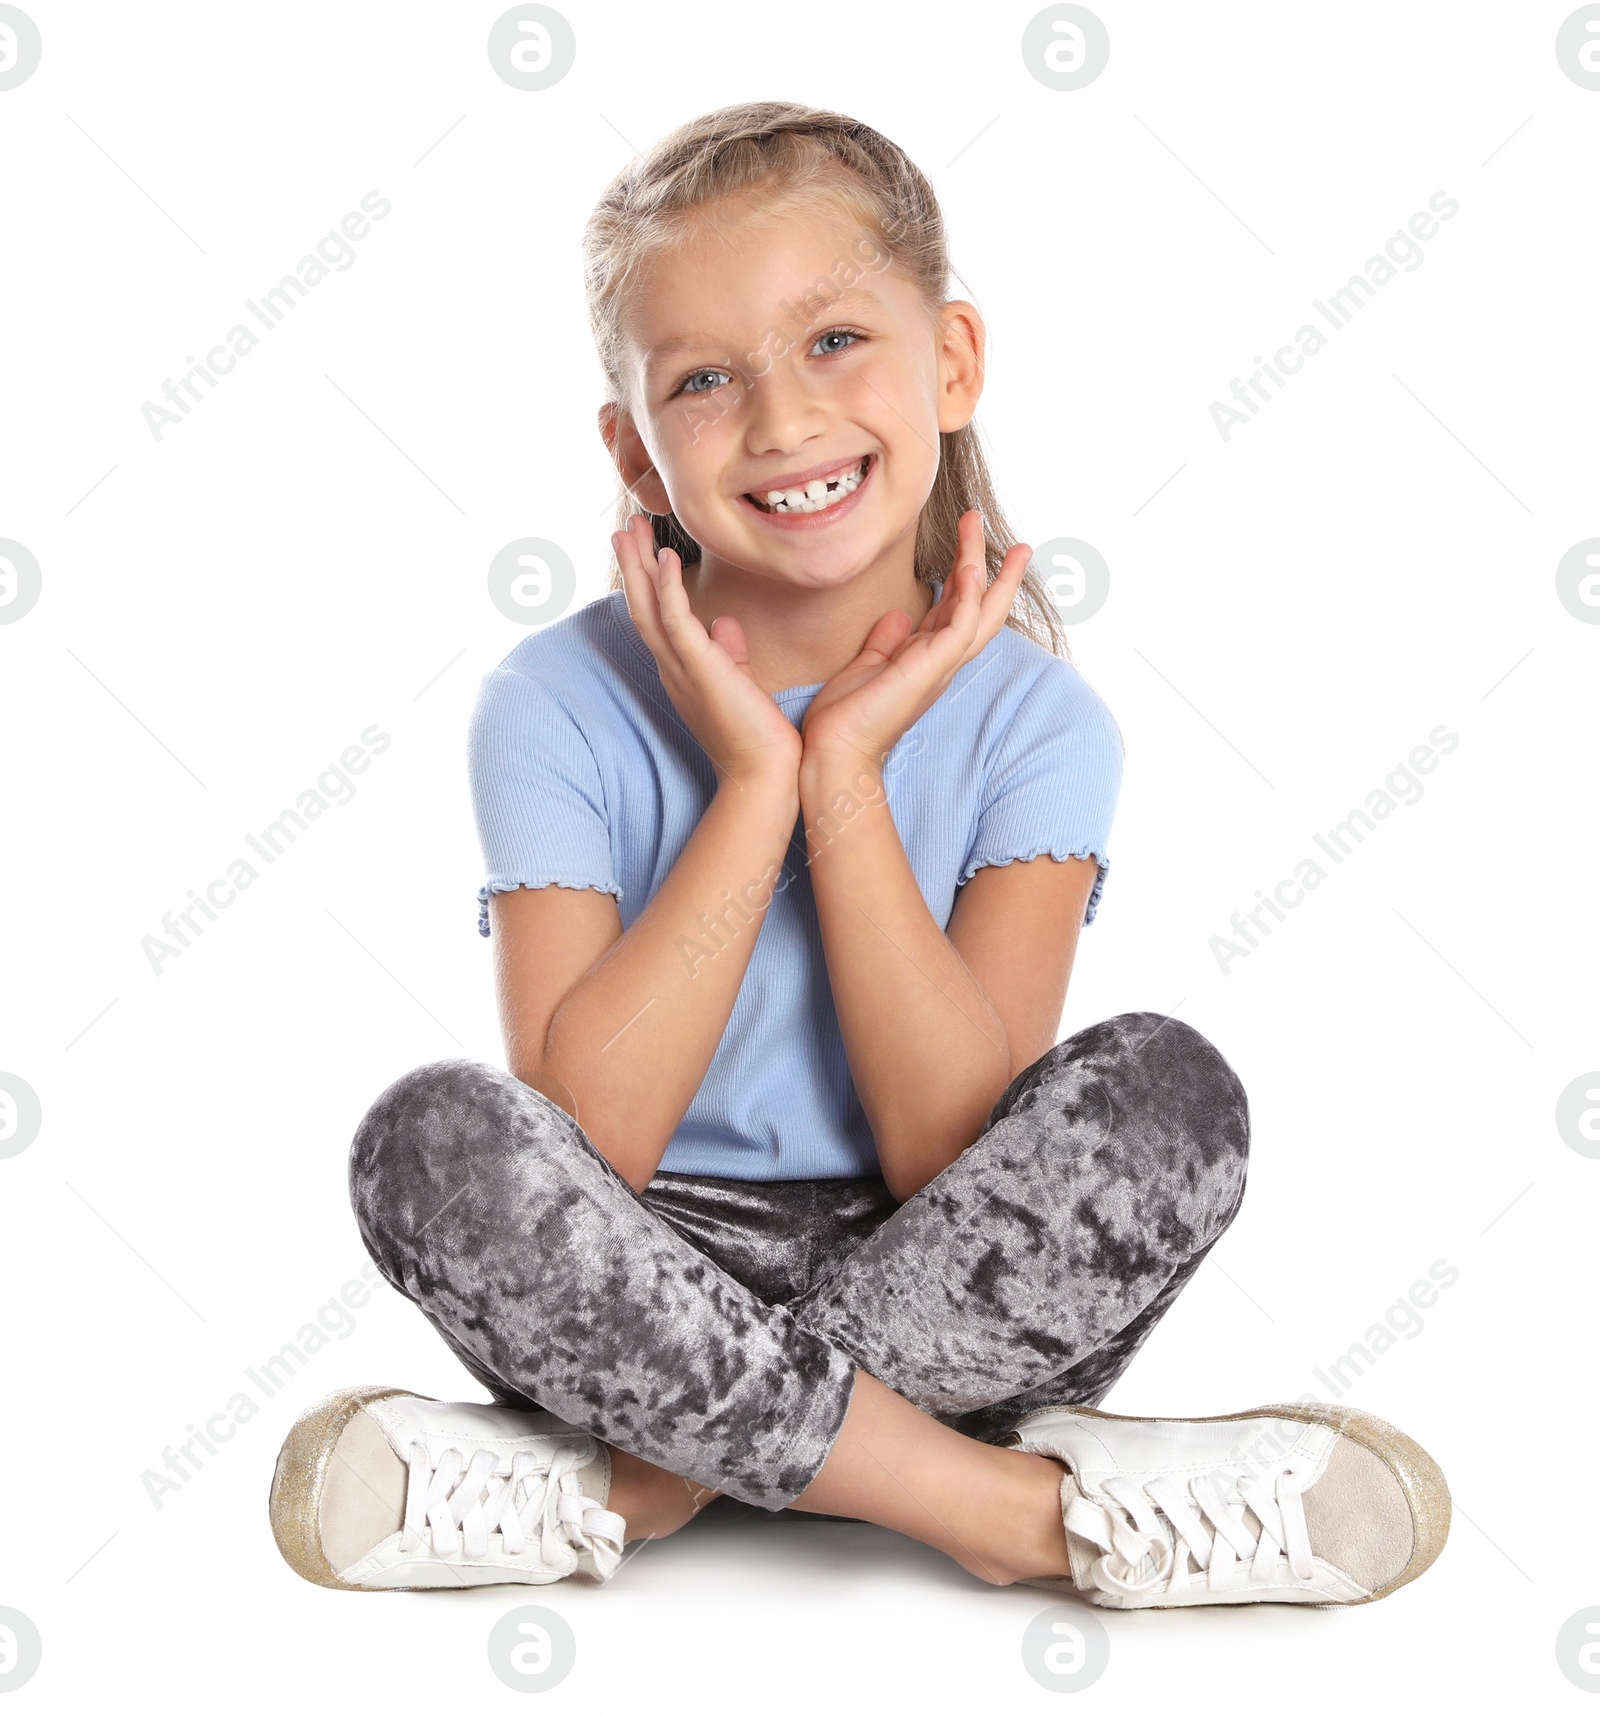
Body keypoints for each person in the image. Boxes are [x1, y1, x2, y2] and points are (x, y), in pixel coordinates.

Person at [268, 101, 1449, 1608]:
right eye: (704, 379)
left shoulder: (1041, 720)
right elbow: (592, 1139)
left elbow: (948, 1151)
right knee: (427, 1139)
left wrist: (847, 780)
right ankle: (1018, 1513)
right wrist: (758, 781)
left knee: (1175, 1097)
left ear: (952, 364)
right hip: (639, 1275)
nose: (781, 421)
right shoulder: (550, 702)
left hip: (939, 1271)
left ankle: (632, 1484)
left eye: (835, 341)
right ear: (636, 453)